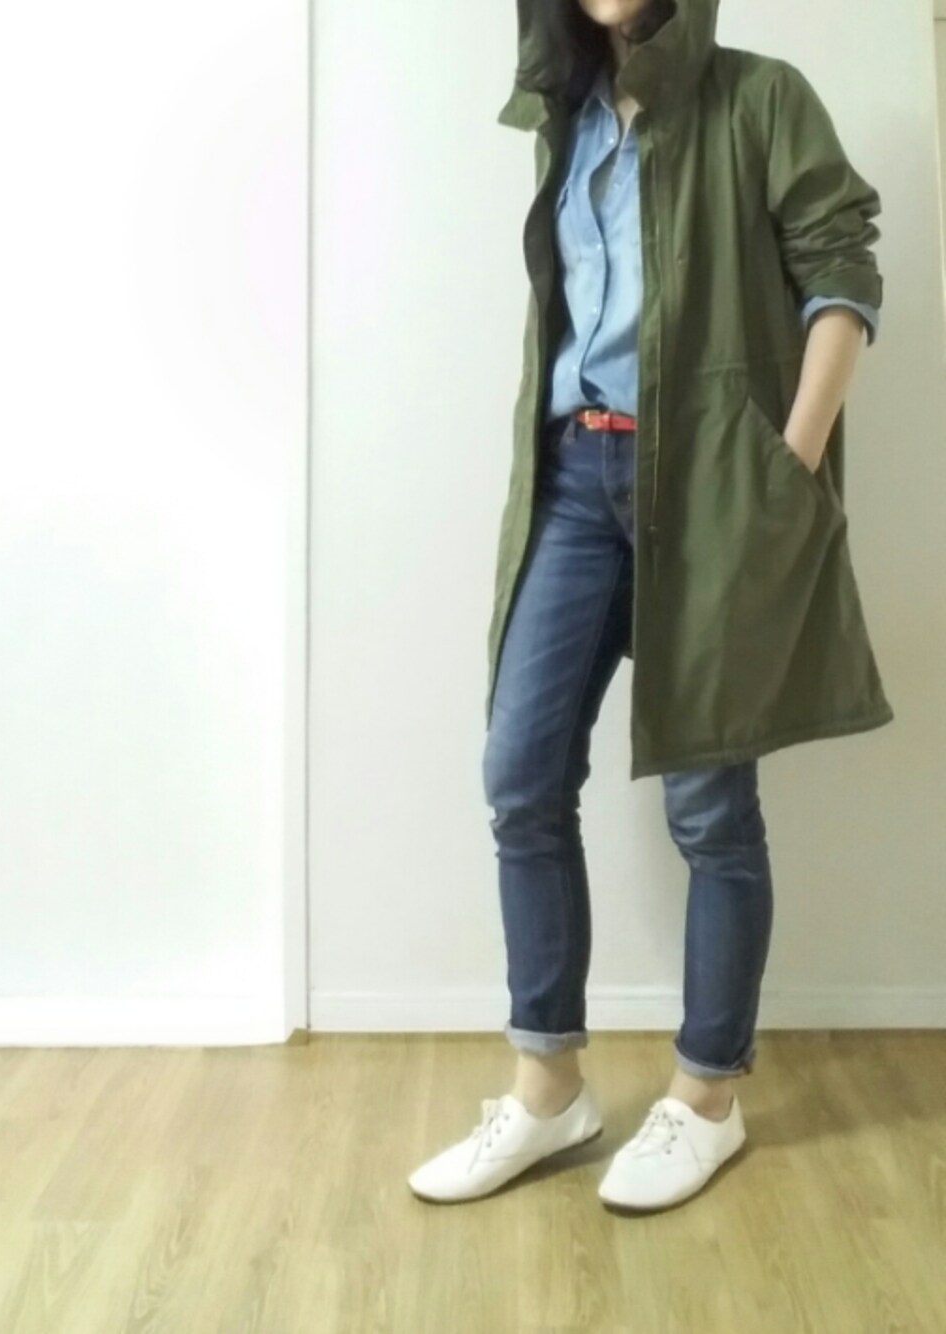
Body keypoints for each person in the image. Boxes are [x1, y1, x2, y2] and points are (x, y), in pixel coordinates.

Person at [409, 0, 891, 1211]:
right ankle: (547, 1089)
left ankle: (706, 1095)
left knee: (710, 807)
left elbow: (841, 271)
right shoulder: (566, 117)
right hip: (574, 477)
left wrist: (785, 467)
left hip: (710, 482)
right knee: (520, 774)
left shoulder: (760, 97)